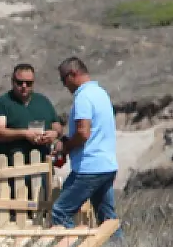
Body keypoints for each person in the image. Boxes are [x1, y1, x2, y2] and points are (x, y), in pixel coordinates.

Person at [49, 58, 121, 233]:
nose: (64, 85)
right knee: (107, 219)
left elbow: (83, 133)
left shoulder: (83, 96)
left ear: (73, 74)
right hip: (106, 165)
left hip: (89, 168)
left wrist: (66, 146)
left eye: (63, 79)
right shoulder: (100, 93)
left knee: (61, 211)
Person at [0, 63, 62, 163]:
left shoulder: (43, 101)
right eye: (19, 82)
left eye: (28, 83)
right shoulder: (2, 103)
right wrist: (24, 134)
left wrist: (54, 134)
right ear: (12, 82)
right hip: (14, 168)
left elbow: (57, 126)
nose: (24, 86)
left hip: (42, 166)